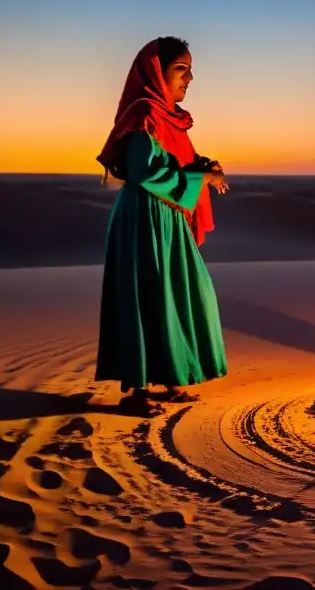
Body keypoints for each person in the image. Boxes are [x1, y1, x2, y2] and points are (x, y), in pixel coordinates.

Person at [95, 36, 229, 416]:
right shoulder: (143, 115)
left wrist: (205, 168)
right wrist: (200, 178)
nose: (189, 79)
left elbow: (178, 160)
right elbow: (145, 172)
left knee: (180, 294)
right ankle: (136, 390)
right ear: (158, 72)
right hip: (144, 218)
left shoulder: (170, 118)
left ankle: (171, 377)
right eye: (180, 70)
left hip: (169, 217)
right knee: (147, 295)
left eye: (190, 70)